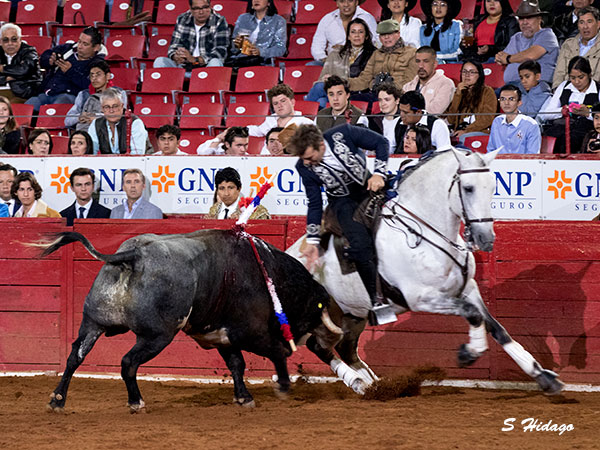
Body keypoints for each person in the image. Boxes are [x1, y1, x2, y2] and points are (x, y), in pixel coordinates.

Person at [287, 123, 389, 319]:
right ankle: (377, 302)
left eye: (309, 157)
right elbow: (314, 204)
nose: (307, 163)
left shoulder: (343, 134)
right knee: (359, 246)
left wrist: (379, 173)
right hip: (343, 202)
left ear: (320, 145)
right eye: (303, 159)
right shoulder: (303, 167)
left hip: (371, 185)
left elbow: (381, 142)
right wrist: (314, 240)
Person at [26, 27, 106, 112]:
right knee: (28, 107)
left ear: (96, 47)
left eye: (85, 44)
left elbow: (91, 85)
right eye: (79, 41)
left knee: (57, 109)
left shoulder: (98, 64)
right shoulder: (67, 49)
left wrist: (70, 71)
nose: (79, 46)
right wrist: (50, 60)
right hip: (47, 93)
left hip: (70, 97)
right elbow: (45, 56)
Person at [305, 18, 377, 109]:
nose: (357, 35)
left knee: (320, 89)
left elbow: (366, 81)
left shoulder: (374, 54)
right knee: (321, 101)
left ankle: (303, 115)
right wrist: (327, 79)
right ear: (348, 36)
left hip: (355, 92)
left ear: (366, 36)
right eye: (353, 32)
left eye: (361, 32)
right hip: (334, 92)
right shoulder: (336, 53)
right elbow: (322, 78)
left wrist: (338, 80)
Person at [349, 19, 418, 102]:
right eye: (383, 34)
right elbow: (364, 79)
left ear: (398, 34)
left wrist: (387, 86)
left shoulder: (411, 53)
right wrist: (342, 83)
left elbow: (410, 82)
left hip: (398, 96)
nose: (386, 37)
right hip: (376, 94)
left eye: (390, 34)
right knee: (348, 100)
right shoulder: (376, 54)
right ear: (379, 38)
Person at [542, 56, 600, 153]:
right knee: (547, 137)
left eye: (581, 77)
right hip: (562, 126)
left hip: (587, 130)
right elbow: (547, 113)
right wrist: (564, 110)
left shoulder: (597, 89)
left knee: (571, 139)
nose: (577, 82)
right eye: (573, 78)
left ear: (590, 74)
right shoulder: (564, 86)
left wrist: (588, 114)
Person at [495, 0, 559, 87]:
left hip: (538, 86)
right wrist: (500, 57)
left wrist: (508, 58)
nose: (525, 22)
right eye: (521, 18)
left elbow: (531, 55)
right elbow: (501, 58)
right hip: (511, 87)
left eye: (529, 18)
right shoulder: (516, 37)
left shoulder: (547, 35)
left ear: (539, 19)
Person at [154, 0, 229, 69]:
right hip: (184, 66)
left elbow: (221, 51)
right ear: (190, 9)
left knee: (215, 62)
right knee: (159, 61)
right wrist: (176, 56)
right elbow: (174, 46)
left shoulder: (219, 20)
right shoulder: (182, 19)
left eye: (205, 7)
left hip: (206, 66)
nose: (201, 12)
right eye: (196, 8)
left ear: (210, 6)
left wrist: (195, 59)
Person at [444, 60, 498, 145]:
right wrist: (458, 95)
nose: (467, 75)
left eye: (472, 72)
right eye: (464, 72)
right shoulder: (459, 92)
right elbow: (451, 119)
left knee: (463, 138)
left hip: (479, 131)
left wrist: (466, 130)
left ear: (479, 75)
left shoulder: (487, 91)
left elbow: (487, 118)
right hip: (458, 131)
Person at [65, 60, 126, 132]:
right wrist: (80, 117)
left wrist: (96, 118)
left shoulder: (119, 93)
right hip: (85, 133)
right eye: (92, 75)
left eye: (98, 74)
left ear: (108, 76)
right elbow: (67, 120)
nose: (94, 78)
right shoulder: (83, 95)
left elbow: (120, 117)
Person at [310, 0, 378, 64]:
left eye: (350, 0)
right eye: (342, 1)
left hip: (360, 62)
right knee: (311, 65)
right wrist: (325, 59)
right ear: (337, 3)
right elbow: (317, 45)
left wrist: (345, 49)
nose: (346, 4)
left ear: (356, 2)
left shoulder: (367, 18)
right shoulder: (327, 19)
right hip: (333, 62)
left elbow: (374, 43)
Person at [88, 88, 149, 155]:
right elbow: (91, 153)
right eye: (107, 107)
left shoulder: (135, 123)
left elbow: (137, 154)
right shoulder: (96, 124)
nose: (111, 111)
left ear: (122, 106)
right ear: (102, 109)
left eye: (115, 106)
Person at [553, 6, 600, 89]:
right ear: (578, 25)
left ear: (598, 24)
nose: (585, 26)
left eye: (589, 22)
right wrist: (558, 93)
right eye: (581, 22)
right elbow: (559, 75)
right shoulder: (568, 44)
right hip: (566, 93)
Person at [228, 0, 286, 66]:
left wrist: (261, 52)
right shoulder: (243, 18)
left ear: (269, 3)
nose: (256, 0)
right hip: (241, 60)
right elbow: (234, 48)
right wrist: (237, 44)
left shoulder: (278, 21)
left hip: (264, 62)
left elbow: (281, 49)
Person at [487, 84, 541, 154]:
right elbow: (491, 150)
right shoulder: (497, 122)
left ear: (519, 102)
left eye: (511, 99)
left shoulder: (530, 125)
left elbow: (532, 155)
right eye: (503, 99)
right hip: (499, 163)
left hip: (522, 164)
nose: (506, 103)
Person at [248, 84, 313, 141]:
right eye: (275, 103)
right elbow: (255, 131)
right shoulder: (270, 121)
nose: (279, 105)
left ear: (292, 102)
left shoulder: (306, 124)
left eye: (283, 101)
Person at [402, 46, 456, 115]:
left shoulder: (445, 84)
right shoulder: (408, 86)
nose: (421, 66)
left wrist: (409, 109)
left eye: (426, 61)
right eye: (418, 61)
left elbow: (435, 111)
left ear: (435, 64)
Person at [206, 167, 270, 219]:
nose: (226, 193)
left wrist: (245, 222)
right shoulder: (213, 211)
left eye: (230, 188)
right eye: (222, 188)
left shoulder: (255, 211)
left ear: (239, 189)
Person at [0, 23, 42, 102]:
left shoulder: (29, 51)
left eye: (14, 39)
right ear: (1, 41)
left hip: (24, 94)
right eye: (5, 40)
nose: (10, 43)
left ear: (20, 39)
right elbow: (20, 72)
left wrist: (2, 68)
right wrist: (6, 78)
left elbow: (24, 70)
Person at [368, 83, 403, 153]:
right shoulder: (373, 120)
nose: (382, 103)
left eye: (387, 100)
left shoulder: (404, 121)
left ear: (397, 101)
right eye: (380, 100)